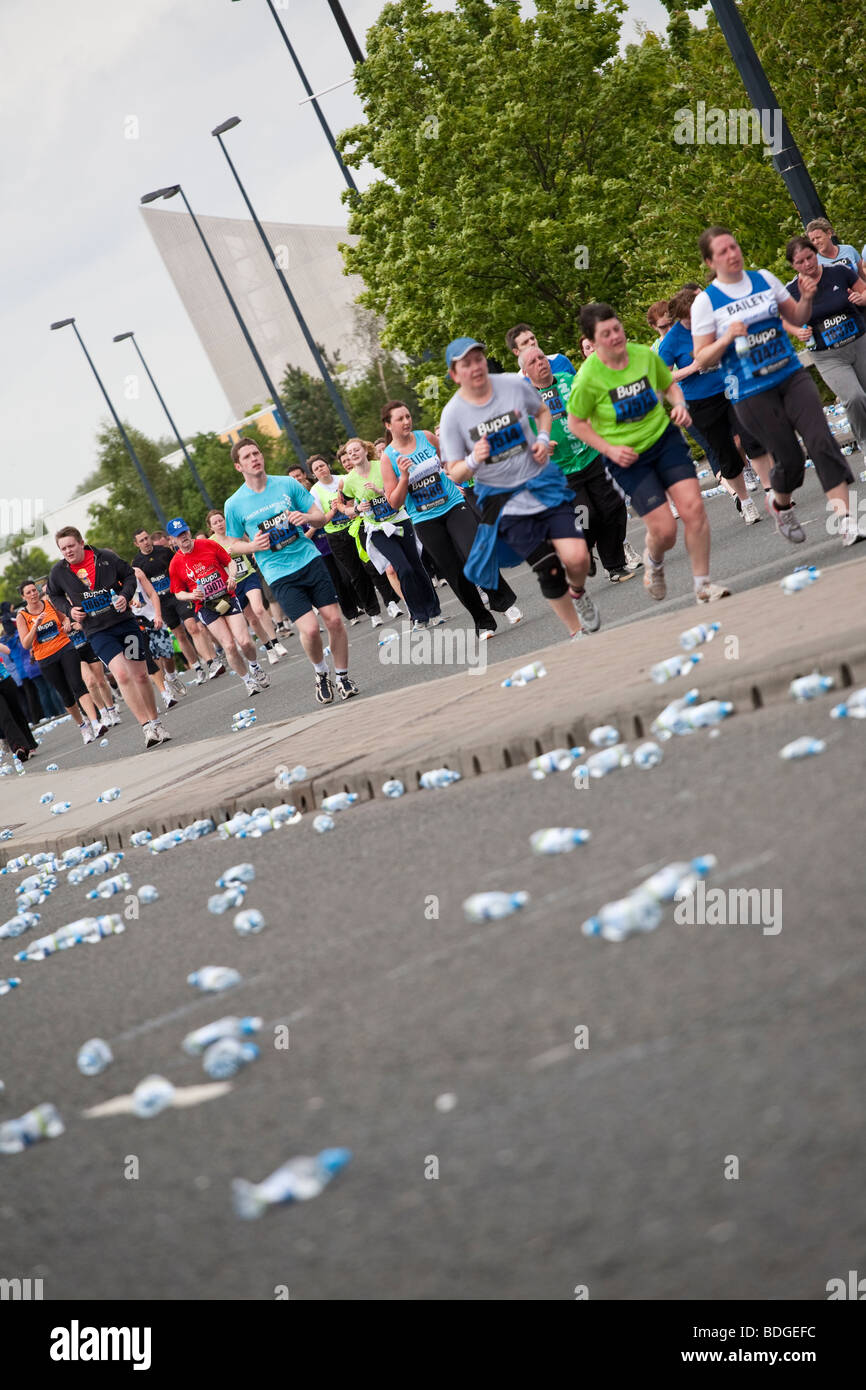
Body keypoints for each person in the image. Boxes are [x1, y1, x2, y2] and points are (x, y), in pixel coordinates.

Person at [690, 226, 861, 546]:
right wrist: (727, 337)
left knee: (821, 440)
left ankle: (846, 520)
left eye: (734, 246)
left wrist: (807, 298)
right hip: (752, 389)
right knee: (791, 460)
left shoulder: (763, 279)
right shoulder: (706, 302)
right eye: (723, 251)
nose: (732, 253)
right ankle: (780, 503)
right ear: (710, 262)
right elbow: (701, 358)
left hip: (790, 375)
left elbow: (796, 318)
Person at [567, 303, 730, 605]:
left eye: (617, 328)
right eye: (606, 334)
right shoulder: (588, 378)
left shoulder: (643, 355)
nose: (615, 336)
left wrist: (679, 405)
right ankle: (654, 562)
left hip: (664, 440)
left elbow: (669, 386)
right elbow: (576, 424)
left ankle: (703, 585)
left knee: (694, 509)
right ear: (593, 341)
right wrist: (609, 448)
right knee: (665, 530)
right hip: (628, 458)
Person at [439, 337, 600, 639]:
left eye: (478, 358)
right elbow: (455, 473)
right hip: (505, 502)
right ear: (454, 374)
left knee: (578, 558)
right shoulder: (452, 415)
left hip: (543, 484)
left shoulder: (512, 385)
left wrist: (541, 439)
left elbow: (541, 411)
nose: (475, 366)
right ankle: (577, 632)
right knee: (548, 568)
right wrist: (474, 458)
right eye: (466, 363)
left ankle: (578, 591)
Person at [223, 439, 358, 704]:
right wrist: (252, 545)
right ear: (239, 466)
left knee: (333, 620)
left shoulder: (286, 484)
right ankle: (321, 673)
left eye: (257, 453)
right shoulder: (235, 504)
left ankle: (342, 677)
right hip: (279, 573)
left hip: (309, 559)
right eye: (248, 456)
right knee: (308, 631)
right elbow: (231, 545)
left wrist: (306, 518)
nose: (255, 458)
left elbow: (319, 516)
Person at [380, 399, 522, 637]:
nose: (406, 421)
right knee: (455, 571)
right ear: (388, 425)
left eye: (407, 416)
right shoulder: (388, 457)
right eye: (400, 419)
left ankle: (503, 602)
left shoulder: (425, 436)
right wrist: (404, 476)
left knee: (474, 552)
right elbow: (394, 502)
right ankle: (482, 621)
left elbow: (450, 458)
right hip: (425, 520)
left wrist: (454, 478)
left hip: (454, 505)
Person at [47, 526, 171, 748]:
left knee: (140, 676)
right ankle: (146, 728)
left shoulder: (106, 557)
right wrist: (69, 610)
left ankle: (156, 721)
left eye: (71, 546)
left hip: (124, 625)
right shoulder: (59, 572)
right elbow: (53, 594)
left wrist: (125, 595)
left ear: (81, 542)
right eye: (63, 548)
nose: (67, 551)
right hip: (97, 631)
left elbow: (130, 576)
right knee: (122, 676)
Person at [520, 346, 635, 583]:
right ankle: (582, 550)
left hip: (590, 455)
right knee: (586, 516)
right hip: (562, 470)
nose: (541, 362)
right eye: (533, 361)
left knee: (613, 508)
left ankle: (614, 566)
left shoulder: (568, 380)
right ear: (525, 371)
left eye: (542, 356)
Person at [658, 286, 771, 524]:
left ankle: (771, 492)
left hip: (733, 387)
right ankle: (746, 502)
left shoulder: (716, 322)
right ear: (682, 317)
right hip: (702, 400)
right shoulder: (671, 341)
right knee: (725, 452)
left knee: (752, 437)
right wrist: (691, 368)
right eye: (694, 314)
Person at [339, 437, 443, 631]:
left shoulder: (383, 465)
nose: (352, 454)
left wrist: (380, 491)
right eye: (349, 452)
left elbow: (399, 487)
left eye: (356, 450)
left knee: (417, 566)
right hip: (377, 529)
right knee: (403, 568)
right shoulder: (349, 481)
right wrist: (358, 508)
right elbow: (343, 507)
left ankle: (434, 611)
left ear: (365, 449)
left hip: (399, 520)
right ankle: (418, 616)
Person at [166, 518, 271, 698]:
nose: (183, 537)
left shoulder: (207, 544)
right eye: (178, 536)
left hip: (227, 597)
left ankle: (255, 667)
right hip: (206, 606)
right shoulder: (175, 563)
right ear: (173, 540)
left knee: (244, 641)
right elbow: (178, 593)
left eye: (184, 532)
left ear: (189, 532)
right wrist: (191, 596)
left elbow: (229, 562)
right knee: (229, 646)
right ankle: (248, 681)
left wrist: (231, 576)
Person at [783, 235, 866, 458]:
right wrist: (797, 330)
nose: (807, 264)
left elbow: (864, 289)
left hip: (859, 341)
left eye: (810, 257)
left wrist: (862, 298)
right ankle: (865, 443)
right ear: (793, 265)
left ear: (815, 253)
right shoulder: (791, 291)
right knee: (855, 397)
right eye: (800, 262)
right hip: (828, 355)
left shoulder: (838, 271)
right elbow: (782, 318)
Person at [16, 581, 107, 744]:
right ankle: (83, 726)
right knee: (66, 695)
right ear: (23, 597)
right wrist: (35, 625)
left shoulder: (49, 604)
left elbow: (64, 618)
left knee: (78, 685)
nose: (33, 594)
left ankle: (95, 723)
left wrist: (66, 624)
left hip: (65, 648)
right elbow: (26, 644)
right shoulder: (22, 617)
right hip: (45, 658)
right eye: (28, 592)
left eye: (34, 590)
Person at [133, 528, 222, 682]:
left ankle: (212, 661)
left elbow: (182, 565)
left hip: (177, 595)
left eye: (147, 538)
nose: (146, 542)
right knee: (180, 635)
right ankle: (197, 667)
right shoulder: (137, 563)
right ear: (136, 544)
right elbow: (140, 587)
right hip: (161, 603)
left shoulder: (164, 552)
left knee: (193, 627)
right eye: (142, 540)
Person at [309, 455, 386, 628]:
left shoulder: (343, 480)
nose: (321, 469)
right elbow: (321, 519)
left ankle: (391, 601)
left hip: (356, 526)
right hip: (336, 536)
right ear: (314, 474)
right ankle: (373, 612)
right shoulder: (315, 491)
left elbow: (356, 500)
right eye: (316, 469)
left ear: (328, 466)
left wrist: (349, 508)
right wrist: (335, 510)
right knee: (355, 574)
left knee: (372, 566)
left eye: (322, 465)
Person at [206, 509, 289, 664]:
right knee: (252, 619)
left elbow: (250, 542)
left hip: (248, 575)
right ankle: (269, 649)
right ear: (211, 528)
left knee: (258, 608)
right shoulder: (210, 543)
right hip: (232, 583)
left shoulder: (234, 533)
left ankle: (276, 642)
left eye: (221, 520)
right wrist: (224, 558)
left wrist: (253, 552)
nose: (219, 524)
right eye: (215, 523)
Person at [0, 640, 38, 761]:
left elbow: (7, 650)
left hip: (5, 679)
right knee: (5, 717)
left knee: (17, 713)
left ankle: (30, 745)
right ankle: (18, 747)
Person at [506, 323, 576, 376]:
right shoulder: (520, 381)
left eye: (532, 338)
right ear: (516, 351)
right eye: (525, 342)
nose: (532, 342)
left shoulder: (559, 360)